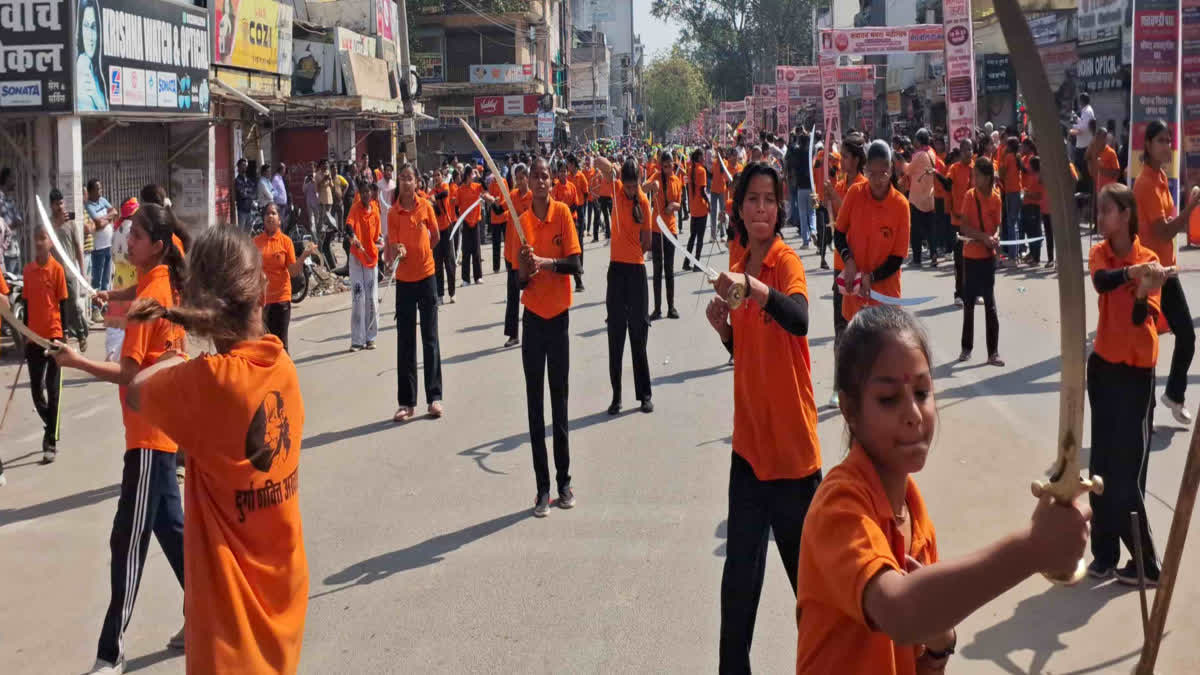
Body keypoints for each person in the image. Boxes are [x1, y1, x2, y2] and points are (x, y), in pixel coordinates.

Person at [795, 304, 1091, 674]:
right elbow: (899, 612)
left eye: (922, 392)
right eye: (888, 399)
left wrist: (940, 645)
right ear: (850, 410)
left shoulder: (916, 518)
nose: (914, 414)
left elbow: (920, 656)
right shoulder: (838, 506)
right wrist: (1033, 548)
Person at [124, 226, 309, 674]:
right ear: (262, 292)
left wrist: (171, 357)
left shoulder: (208, 382)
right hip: (285, 604)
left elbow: (135, 389)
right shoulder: (281, 367)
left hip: (231, 633)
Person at [53, 203, 187, 675]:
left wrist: (75, 361)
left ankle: (111, 651)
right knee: (173, 531)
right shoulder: (163, 282)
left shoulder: (152, 299)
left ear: (157, 245)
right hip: (160, 428)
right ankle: (211, 612)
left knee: (127, 540)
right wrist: (114, 294)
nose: (128, 242)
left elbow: (128, 374)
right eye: (127, 234)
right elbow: (137, 293)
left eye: (136, 236)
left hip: (149, 433)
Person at [704, 162, 821, 673]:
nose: (761, 208)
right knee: (738, 590)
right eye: (751, 199)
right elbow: (748, 349)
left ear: (779, 209)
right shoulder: (736, 258)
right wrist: (724, 332)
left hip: (794, 458)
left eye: (769, 200)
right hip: (749, 454)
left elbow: (798, 319)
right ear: (739, 206)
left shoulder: (784, 261)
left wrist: (751, 287)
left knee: (812, 594)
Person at [1083, 183, 1167, 585]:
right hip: (1103, 369)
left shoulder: (1149, 259)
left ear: (1126, 215)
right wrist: (1131, 275)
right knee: (1099, 467)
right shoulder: (1101, 252)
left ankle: (1147, 564)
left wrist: (1145, 287)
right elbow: (1102, 281)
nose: (1100, 219)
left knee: (1125, 474)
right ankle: (1103, 555)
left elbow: (1139, 321)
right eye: (1099, 212)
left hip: (1135, 375)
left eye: (1107, 211)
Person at [517, 157, 582, 517]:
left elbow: (576, 264)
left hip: (558, 319)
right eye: (535, 176)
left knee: (559, 403)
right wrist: (526, 269)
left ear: (552, 181)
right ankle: (542, 489)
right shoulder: (522, 222)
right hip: (533, 321)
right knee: (534, 406)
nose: (541, 181)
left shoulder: (562, 214)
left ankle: (564, 481)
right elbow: (520, 282)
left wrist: (545, 262)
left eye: (545, 176)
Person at [1135, 120, 1200, 424]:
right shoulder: (1145, 183)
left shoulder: (1161, 178)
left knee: (1186, 335)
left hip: (1166, 274)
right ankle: (1141, 412)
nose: (1168, 146)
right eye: (1162, 140)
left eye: (1169, 140)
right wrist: (1190, 210)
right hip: (1149, 277)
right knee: (1145, 346)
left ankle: (1174, 395)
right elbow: (1162, 232)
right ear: (1147, 145)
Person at [595, 156, 653, 415]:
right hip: (616, 271)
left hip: (637, 271)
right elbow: (597, 161)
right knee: (615, 335)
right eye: (627, 186)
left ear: (639, 182)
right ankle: (617, 396)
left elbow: (647, 241)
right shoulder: (616, 190)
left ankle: (645, 395)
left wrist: (633, 251)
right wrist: (613, 170)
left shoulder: (644, 202)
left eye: (633, 186)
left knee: (638, 334)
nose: (629, 190)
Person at [386, 163, 444, 423]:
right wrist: (398, 249)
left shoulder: (425, 206)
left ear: (417, 183)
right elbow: (393, 243)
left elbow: (435, 235)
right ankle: (406, 403)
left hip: (427, 278)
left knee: (430, 338)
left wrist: (424, 254)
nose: (406, 182)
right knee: (405, 340)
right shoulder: (393, 213)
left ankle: (434, 397)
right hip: (405, 282)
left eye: (410, 178)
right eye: (403, 178)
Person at [835, 141, 912, 324]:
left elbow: (897, 257)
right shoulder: (855, 193)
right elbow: (838, 233)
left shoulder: (900, 205)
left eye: (883, 174)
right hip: (855, 297)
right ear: (865, 169)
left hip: (886, 298)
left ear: (891, 170)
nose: (877, 180)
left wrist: (872, 278)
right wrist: (849, 261)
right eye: (871, 174)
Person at [822, 133, 867, 409]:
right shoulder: (840, 185)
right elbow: (836, 222)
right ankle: (839, 386)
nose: (843, 161)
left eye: (847, 156)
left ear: (857, 159)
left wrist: (834, 200)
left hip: (858, 265)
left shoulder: (862, 188)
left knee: (860, 329)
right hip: (840, 265)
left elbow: (849, 221)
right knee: (840, 329)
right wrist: (828, 196)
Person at [23, 227, 68, 464]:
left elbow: (63, 305)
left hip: (54, 335)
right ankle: (52, 422)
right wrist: (24, 335)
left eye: (43, 238)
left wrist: (65, 335)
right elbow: (27, 306)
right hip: (33, 337)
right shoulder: (28, 271)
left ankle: (50, 439)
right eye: (36, 239)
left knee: (53, 388)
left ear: (51, 242)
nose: (40, 243)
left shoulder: (57, 270)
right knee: (35, 390)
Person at [958, 158, 1005, 367]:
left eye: (977, 175)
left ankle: (993, 352)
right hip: (971, 257)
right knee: (969, 305)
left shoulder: (996, 198)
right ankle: (966, 348)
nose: (974, 179)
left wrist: (994, 237)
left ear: (987, 178)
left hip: (987, 258)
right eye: (973, 175)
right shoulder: (969, 197)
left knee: (990, 305)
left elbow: (998, 226)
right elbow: (964, 229)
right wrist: (983, 237)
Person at [254, 203, 316, 352]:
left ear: (279, 220)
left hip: (281, 300)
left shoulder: (286, 242)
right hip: (262, 302)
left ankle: (284, 374)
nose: (270, 216)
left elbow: (293, 271)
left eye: (273, 213)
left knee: (281, 345)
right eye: (267, 214)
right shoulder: (255, 243)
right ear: (263, 219)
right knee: (264, 345)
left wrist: (304, 256)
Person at [49, 188, 89, 351]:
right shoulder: (49, 224)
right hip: (54, 274)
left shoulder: (71, 223)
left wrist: (82, 272)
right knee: (57, 307)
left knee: (72, 304)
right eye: (56, 204)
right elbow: (46, 243)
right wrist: (56, 225)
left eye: (61, 203)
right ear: (51, 205)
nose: (60, 207)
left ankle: (81, 334)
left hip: (70, 272)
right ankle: (62, 337)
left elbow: (79, 248)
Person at [646, 151, 682, 320]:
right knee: (657, 269)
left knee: (669, 269)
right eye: (664, 166)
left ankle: (671, 307)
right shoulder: (656, 176)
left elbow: (680, 204)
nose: (667, 169)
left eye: (670, 166)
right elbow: (642, 188)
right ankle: (657, 308)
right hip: (656, 229)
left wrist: (673, 206)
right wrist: (652, 186)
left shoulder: (676, 180)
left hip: (671, 230)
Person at [346, 181, 382, 351]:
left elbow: (378, 236)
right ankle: (357, 340)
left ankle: (371, 337)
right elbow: (348, 226)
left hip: (371, 258)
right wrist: (353, 237)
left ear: (372, 193)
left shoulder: (375, 210)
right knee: (358, 297)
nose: (366, 195)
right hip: (356, 258)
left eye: (368, 191)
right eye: (363, 192)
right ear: (359, 194)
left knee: (372, 299)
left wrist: (381, 244)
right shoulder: (355, 208)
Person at [503, 163, 534, 347]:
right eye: (517, 178)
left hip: (529, 253)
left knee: (532, 294)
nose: (520, 181)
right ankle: (513, 335)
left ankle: (533, 333)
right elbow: (500, 210)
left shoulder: (533, 197)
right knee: (512, 296)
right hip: (511, 254)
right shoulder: (511, 196)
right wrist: (491, 200)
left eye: (523, 177)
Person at [903, 129, 938, 267]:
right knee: (930, 230)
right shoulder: (931, 153)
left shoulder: (919, 155)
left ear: (919, 140)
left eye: (916, 139)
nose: (914, 141)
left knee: (916, 229)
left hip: (917, 198)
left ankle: (917, 258)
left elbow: (908, 170)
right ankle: (933, 253)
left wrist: (902, 162)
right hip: (929, 196)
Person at [552, 161, 584, 292]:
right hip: (560, 223)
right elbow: (554, 206)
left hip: (572, 221)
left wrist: (567, 213)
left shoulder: (572, 186)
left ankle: (578, 282)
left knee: (573, 250)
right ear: (558, 174)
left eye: (565, 171)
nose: (563, 173)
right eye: (561, 171)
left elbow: (576, 204)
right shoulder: (555, 189)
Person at [84, 179, 118, 304]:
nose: (101, 191)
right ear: (91, 191)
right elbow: (97, 224)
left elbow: (114, 211)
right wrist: (106, 219)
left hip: (109, 246)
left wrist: (103, 220)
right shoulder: (87, 205)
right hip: (97, 248)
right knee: (97, 280)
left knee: (106, 279)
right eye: (98, 189)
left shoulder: (103, 200)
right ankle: (95, 307)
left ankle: (104, 305)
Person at [431, 168, 458, 305]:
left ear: (442, 176)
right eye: (434, 176)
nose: (436, 177)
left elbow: (445, 194)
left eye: (438, 175)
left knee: (450, 262)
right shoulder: (431, 192)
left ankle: (452, 293)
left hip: (447, 228)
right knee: (438, 264)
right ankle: (440, 294)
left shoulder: (444, 187)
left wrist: (434, 198)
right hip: (436, 231)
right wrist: (432, 200)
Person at [457, 170, 485, 286]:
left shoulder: (477, 186)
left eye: (473, 176)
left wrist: (480, 177)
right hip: (466, 222)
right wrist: (460, 219)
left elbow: (485, 188)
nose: (472, 178)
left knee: (476, 250)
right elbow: (456, 205)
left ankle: (478, 277)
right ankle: (465, 279)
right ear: (466, 177)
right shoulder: (461, 189)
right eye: (470, 176)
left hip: (476, 221)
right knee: (466, 251)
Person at [685, 148, 710, 269]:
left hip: (693, 208)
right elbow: (702, 191)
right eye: (703, 157)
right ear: (699, 157)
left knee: (692, 236)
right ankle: (697, 264)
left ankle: (686, 262)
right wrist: (709, 203)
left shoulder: (690, 170)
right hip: (701, 207)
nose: (704, 158)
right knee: (700, 238)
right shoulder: (701, 171)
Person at [486, 172, 511, 275]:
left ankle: (508, 264)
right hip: (495, 218)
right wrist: (492, 200)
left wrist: (500, 203)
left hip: (504, 216)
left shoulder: (504, 181)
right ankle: (496, 267)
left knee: (507, 242)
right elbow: (490, 199)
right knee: (496, 243)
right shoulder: (491, 184)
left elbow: (507, 196)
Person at [234, 158, 255, 230]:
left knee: (248, 233)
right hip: (241, 211)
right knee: (240, 233)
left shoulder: (248, 180)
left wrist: (247, 191)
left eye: (246, 165)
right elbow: (243, 194)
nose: (245, 167)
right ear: (238, 166)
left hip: (249, 210)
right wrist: (248, 192)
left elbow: (253, 191)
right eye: (243, 165)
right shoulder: (237, 180)